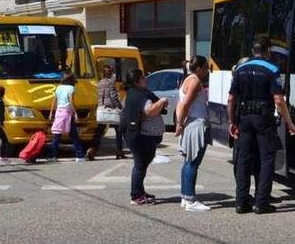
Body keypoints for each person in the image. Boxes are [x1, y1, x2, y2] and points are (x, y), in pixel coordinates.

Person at [227, 37, 295, 214]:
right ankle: (261, 203)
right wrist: (289, 123)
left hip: (244, 119)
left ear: (253, 51)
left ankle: (241, 203)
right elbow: (279, 101)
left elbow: (231, 99)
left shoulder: (240, 69)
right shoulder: (272, 68)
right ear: (268, 51)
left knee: (243, 159)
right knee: (267, 160)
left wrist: (232, 122)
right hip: (263, 119)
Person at [120, 69, 167, 206]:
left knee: (142, 164)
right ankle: (136, 195)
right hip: (141, 135)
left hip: (138, 134)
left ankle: (140, 191)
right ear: (136, 81)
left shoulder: (132, 94)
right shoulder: (140, 95)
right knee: (140, 165)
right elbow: (150, 111)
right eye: (143, 77)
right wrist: (162, 101)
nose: (146, 78)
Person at [174, 55, 212, 212]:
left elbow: (180, 104)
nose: (207, 70)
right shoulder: (195, 81)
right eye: (205, 67)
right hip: (196, 123)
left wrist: (180, 123)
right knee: (193, 162)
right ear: (199, 68)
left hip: (190, 123)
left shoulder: (187, 80)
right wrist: (180, 124)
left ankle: (185, 196)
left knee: (188, 162)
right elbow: (185, 105)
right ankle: (190, 199)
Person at [89, 63, 125, 161]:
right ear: (111, 73)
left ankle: (92, 149)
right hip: (111, 109)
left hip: (102, 109)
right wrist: (120, 107)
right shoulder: (110, 82)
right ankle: (119, 151)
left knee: (99, 131)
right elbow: (113, 97)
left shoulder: (100, 83)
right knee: (119, 131)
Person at [47, 72, 85, 162]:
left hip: (59, 113)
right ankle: (79, 156)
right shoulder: (71, 88)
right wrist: (75, 113)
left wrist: (51, 113)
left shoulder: (58, 88)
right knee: (74, 135)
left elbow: (54, 101)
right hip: (67, 113)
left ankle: (52, 156)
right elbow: (71, 102)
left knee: (57, 135)